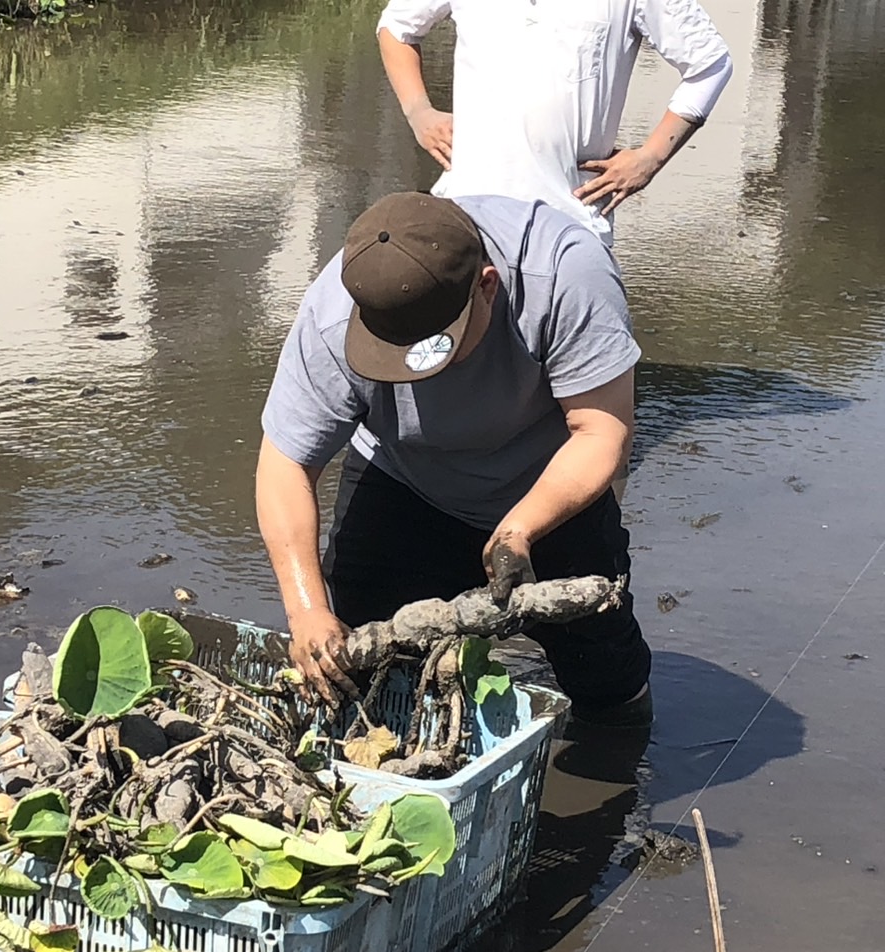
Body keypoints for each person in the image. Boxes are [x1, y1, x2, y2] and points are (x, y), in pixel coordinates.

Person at [254, 190, 652, 728]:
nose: (416, 372)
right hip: (404, 478)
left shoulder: (563, 273)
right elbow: (286, 464)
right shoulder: (333, 313)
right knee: (359, 675)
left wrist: (519, 530)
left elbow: (601, 433)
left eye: (432, 348)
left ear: (486, 287)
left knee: (609, 685)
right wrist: (306, 611)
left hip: (547, 482)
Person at [376, 0, 734, 250]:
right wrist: (419, 111)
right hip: (466, 219)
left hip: (573, 228)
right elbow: (397, 27)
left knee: (581, 358)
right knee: (462, 354)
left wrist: (651, 158)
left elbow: (710, 65)